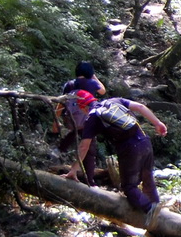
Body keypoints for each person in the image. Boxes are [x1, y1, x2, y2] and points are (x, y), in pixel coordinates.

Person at [67, 90, 169, 229]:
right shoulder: (114, 101)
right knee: (147, 176)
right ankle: (156, 211)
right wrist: (157, 123)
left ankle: (150, 210)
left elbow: (84, 147)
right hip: (145, 141)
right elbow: (140, 107)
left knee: (129, 186)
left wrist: (73, 170)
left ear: (83, 107)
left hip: (130, 148)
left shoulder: (92, 118)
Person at [53, 61, 108, 162]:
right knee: (89, 145)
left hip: (70, 116)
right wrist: (94, 76)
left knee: (75, 132)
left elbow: (61, 102)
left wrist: (56, 120)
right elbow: (103, 91)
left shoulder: (69, 84)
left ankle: (59, 150)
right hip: (86, 117)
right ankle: (87, 171)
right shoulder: (92, 83)